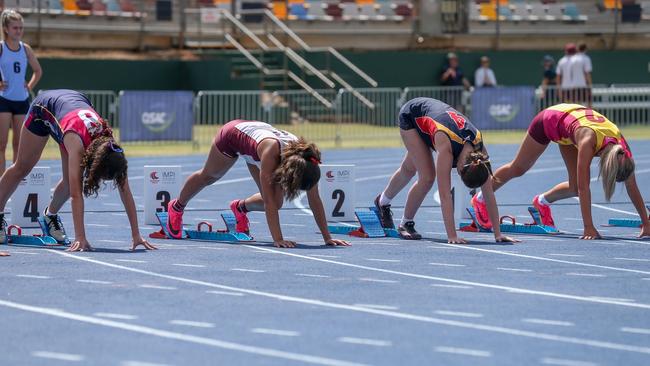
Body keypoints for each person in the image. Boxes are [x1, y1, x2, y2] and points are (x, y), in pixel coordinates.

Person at [0, 89, 156, 252]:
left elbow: (126, 191)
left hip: (71, 109)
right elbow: (76, 195)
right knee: (22, 167)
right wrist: (80, 237)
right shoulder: (77, 144)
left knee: (69, 181)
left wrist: (136, 235)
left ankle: (49, 216)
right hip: (44, 109)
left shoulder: (112, 150)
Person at [471, 103, 650, 240]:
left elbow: (632, 185)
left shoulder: (622, 151)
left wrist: (646, 222)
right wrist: (588, 226)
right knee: (519, 167)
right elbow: (583, 189)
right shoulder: (588, 142)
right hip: (550, 120)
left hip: (571, 126)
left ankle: (541, 202)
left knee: (572, 187)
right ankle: (480, 199)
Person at [166, 120, 350, 249]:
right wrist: (278, 239)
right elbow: (269, 202)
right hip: (233, 135)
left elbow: (315, 199)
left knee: (278, 202)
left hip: (257, 146)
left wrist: (328, 238)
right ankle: (176, 206)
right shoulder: (271, 153)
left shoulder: (310, 162)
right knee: (210, 176)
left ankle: (240, 208)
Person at [373, 97, 519, 244]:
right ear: (460, 168)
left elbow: (488, 193)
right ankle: (405, 223)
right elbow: (445, 195)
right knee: (427, 177)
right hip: (412, 116)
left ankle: (382, 201)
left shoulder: (480, 153)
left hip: (431, 123)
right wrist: (452, 236)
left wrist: (498, 234)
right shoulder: (446, 146)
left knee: (408, 168)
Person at [0, 9, 42, 176]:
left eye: (20, 27)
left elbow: (38, 71)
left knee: (19, 144)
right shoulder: (1, 48)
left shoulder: (26, 49)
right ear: (6, 29)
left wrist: (29, 86)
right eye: (15, 27)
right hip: (3, 99)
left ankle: (15, 179)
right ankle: (2, 180)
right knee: (2, 144)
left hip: (21, 100)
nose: (18, 31)